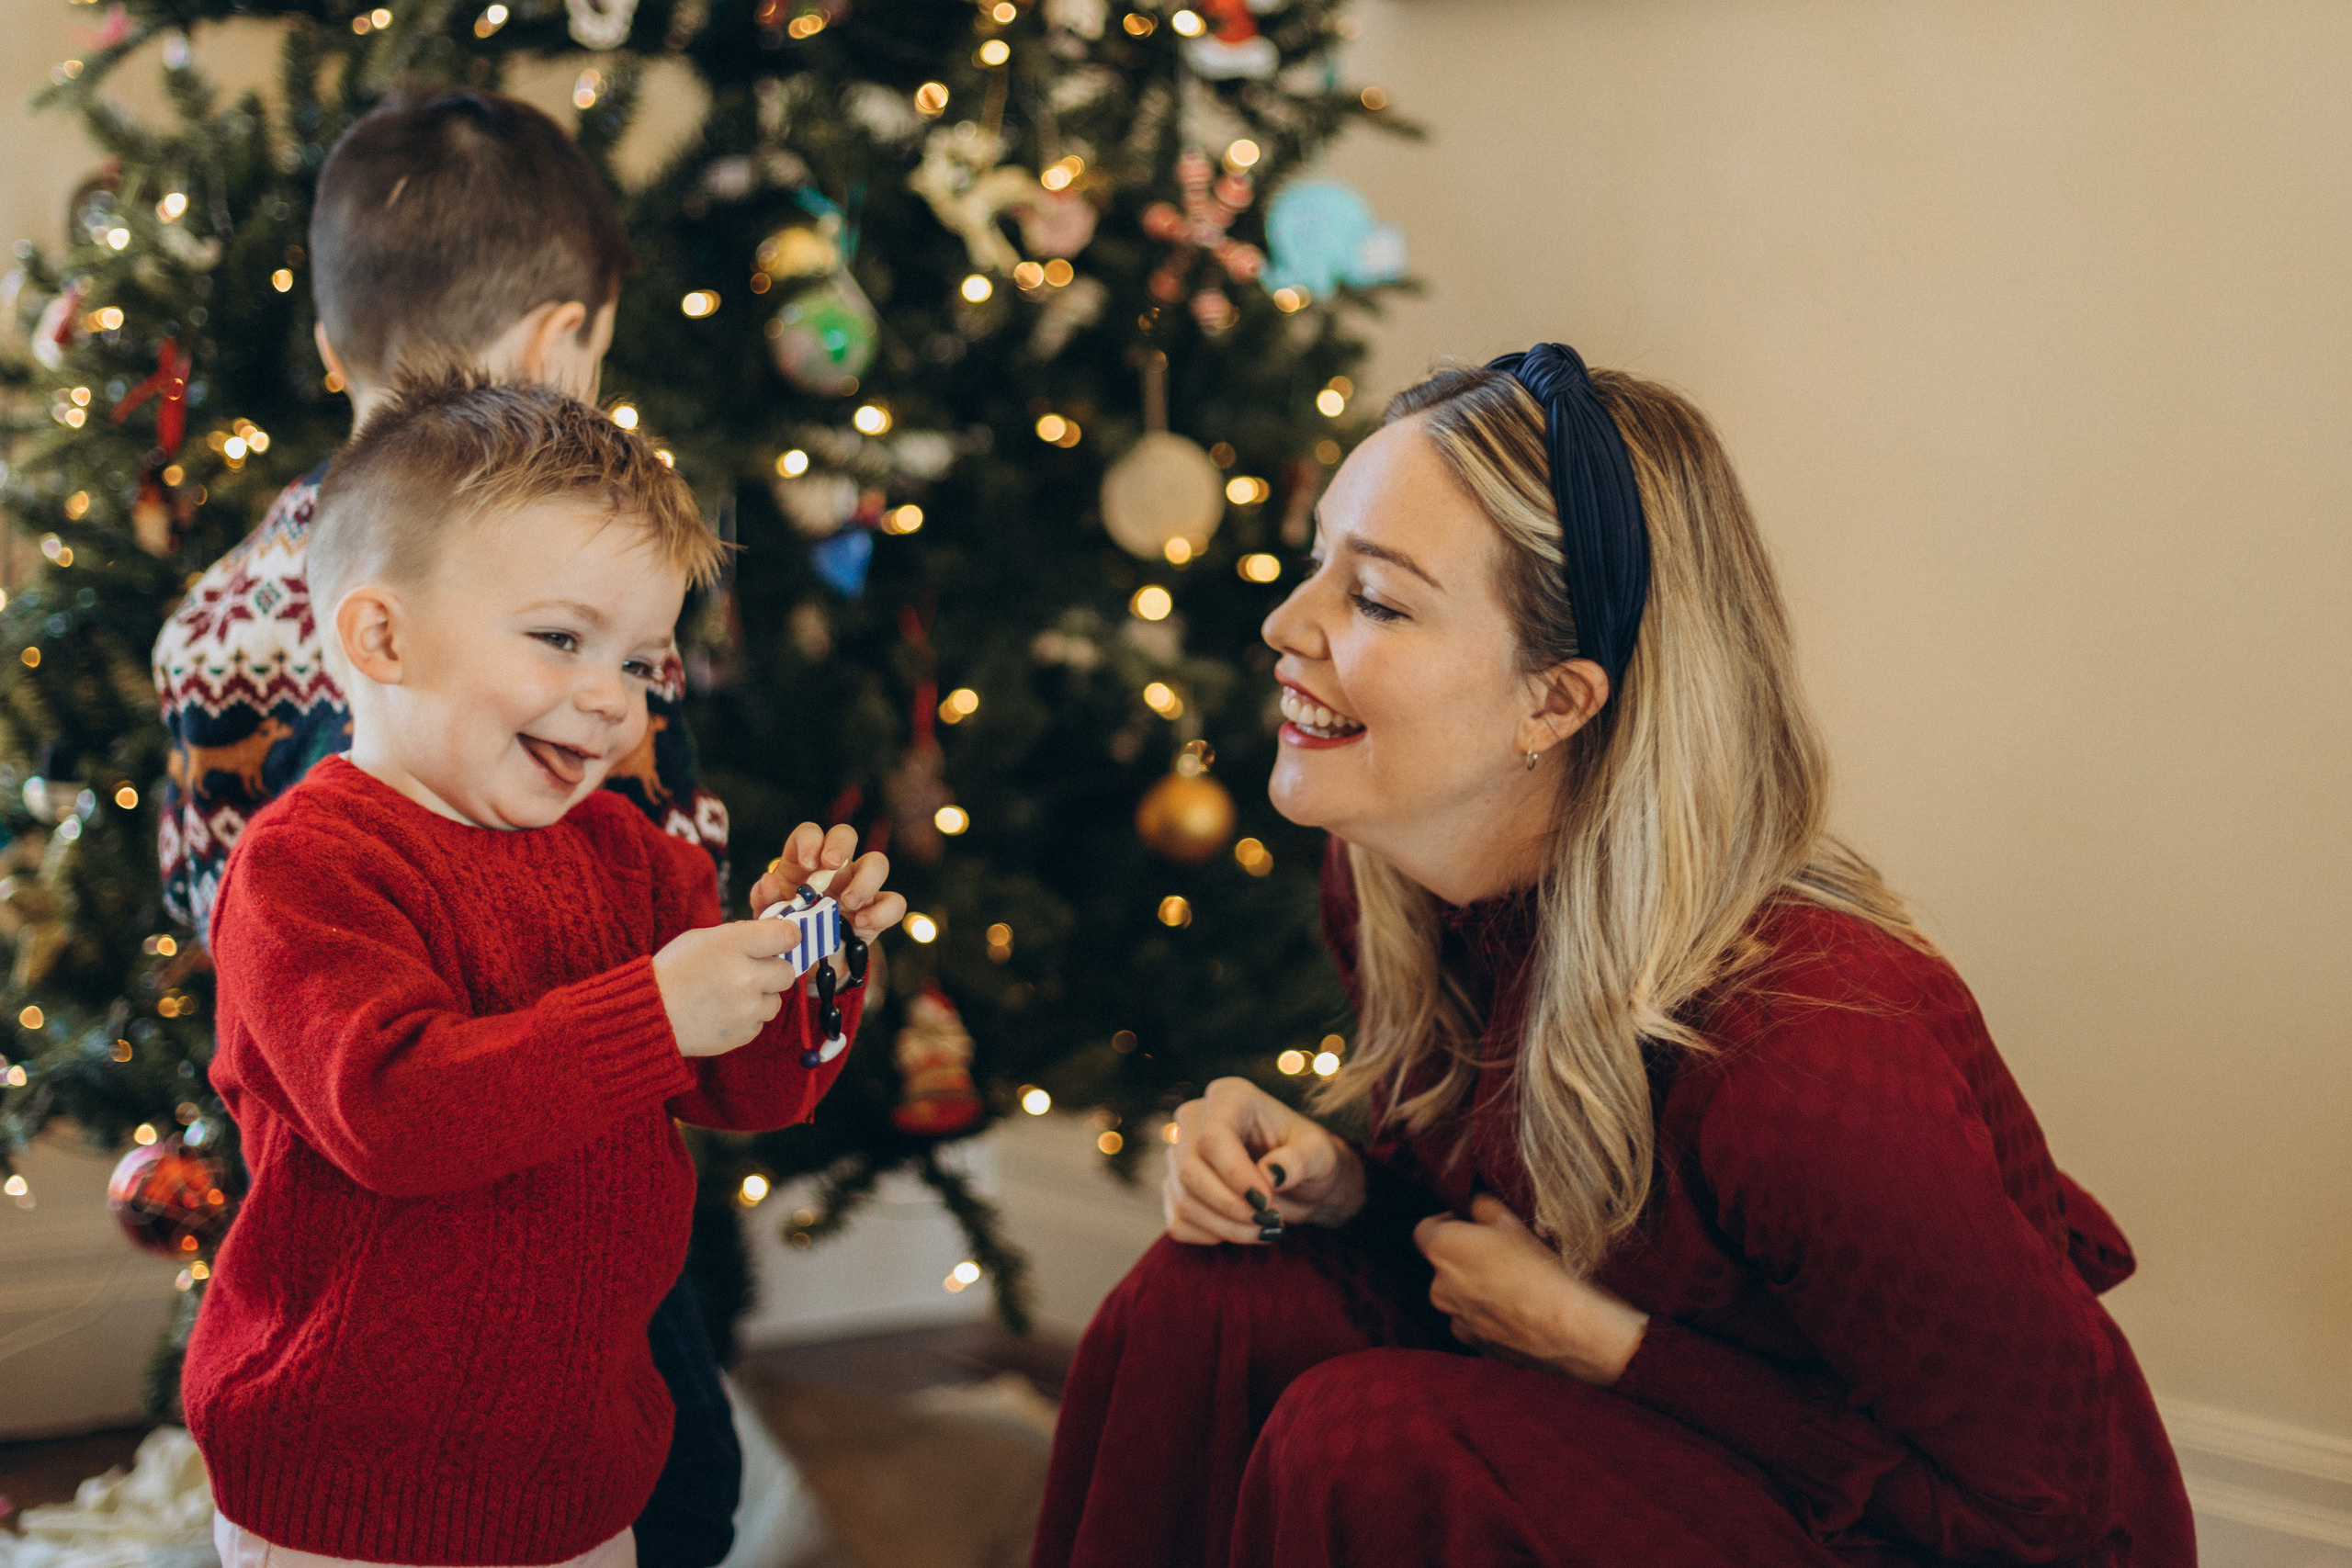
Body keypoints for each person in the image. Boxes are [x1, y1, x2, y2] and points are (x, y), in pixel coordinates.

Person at [1035, 346, 2195, 1567]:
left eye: (1375, 599)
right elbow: (1522, 1242)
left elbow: (2050, 1515)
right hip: (1667, 1448)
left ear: (1557, 702)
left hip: (1959, 1535)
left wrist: (1613, 1349)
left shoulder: (1810, 1058)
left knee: (1372, 1438)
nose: (1283, 624)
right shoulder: (1405, 884)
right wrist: (1345, 1187)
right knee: (1208, 1300)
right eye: (1318, 560)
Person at [148, 89, 741, 1562]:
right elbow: (657, 857)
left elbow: (197, 884)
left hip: (451, 1171)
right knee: (684, 1496)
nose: (609, 693)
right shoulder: (574, 612)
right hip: (474, 1150)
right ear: (561, 344)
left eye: (638, 670)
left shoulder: (216, 610)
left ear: (337, 341)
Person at [185, 373, 904, 1567]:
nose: (608, 703)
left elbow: (754, 1094)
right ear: (383, 635)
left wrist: (805, 964)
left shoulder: (633, 857)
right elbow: (395, 1114)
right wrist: (657, 1009)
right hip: (347, 1480)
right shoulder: (303, 868)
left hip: (577, 1474)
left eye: (639, 664)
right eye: (562, 639)